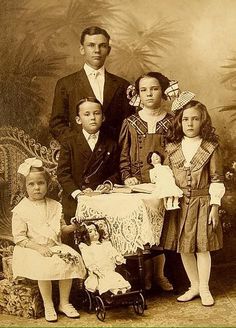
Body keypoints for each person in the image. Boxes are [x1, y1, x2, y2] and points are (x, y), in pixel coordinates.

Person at [162, 95, 225, 306]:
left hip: (203, 203)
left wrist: (214, 207)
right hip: (179, 205)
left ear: (202, 121)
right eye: (186, 119)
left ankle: (205, 288)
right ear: (179, 122)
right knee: (185, 247)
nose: (190, 123)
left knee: (202, 247)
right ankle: (194, 286)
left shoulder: (210, 148)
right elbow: (165, 177)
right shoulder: (172, 149)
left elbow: (217, 179)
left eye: (195, 119)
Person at [119, 71, 175, 292]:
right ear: (137, 94)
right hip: (137, 185)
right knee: (144, 231)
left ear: (162, 90)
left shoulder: (172, 121)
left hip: (163, 184)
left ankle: (160, 275)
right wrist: (126, 176)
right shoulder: (131, 122)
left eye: (154, 88)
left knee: (161, 231)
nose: (149, 94)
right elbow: (123, 154)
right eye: (144, 90)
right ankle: (146, 276)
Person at [11, 158, 86, 323]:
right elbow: (20, 238)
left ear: (47, 184)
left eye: (41, 183)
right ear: (24, 186)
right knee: (43, 265)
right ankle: (48, 303)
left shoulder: (54, 205)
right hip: (31, 248)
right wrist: (38, 248)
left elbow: (61, 229)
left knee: (70, 259)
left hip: (54, 245)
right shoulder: (21, 209)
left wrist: (73, 226)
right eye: (31, 184)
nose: (37, 187)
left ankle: (64, 303)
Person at [49, 26, 134, 143]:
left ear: (108, 50)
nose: (97, 50)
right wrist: (78, 144)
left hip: (114, 154)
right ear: (82, 49)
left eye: (102, 46)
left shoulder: (122, 85)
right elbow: (57, 124)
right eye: (91, 45)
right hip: (79, 154)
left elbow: (129, 123)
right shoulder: (66, 84)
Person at [57, 97, 120, 240]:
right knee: (79, 241)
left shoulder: (111, 143)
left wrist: (107, 184)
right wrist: (78, 194)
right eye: (87, 114)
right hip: (75, 201)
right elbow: (62, 174)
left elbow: (116, 172)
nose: (92, 118)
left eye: (96, 113)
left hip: (101, 200)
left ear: (103, 117)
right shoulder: (69, 143)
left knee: (103, 240)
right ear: (78, 120)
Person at [78, 221, 131, 295]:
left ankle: (122, 292)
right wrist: (95, 271)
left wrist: (117, 257)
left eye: (95, 230)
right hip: (98, 274)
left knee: (117, 278)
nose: (95, 232)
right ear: (84, 236)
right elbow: (88, 260)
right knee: (106, 281)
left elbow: (112, 252)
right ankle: (115, 293)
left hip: (110, 271)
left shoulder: (106, 245)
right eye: (90, 231)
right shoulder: (86, 247)